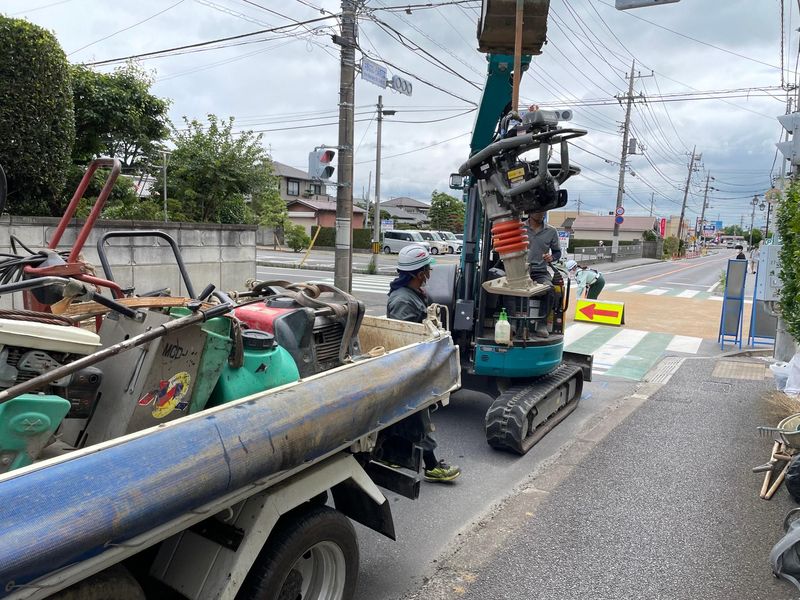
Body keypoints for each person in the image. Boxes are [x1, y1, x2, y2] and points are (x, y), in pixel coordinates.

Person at [386, 245, 461, 483]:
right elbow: (404, 339)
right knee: (418, 416)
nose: (430, 272)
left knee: (402, 415)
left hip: (421, 362)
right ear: (420, 273)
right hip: (410, 366)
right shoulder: (402, 300)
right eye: (428, 268)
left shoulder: (417, 293)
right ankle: (432, 466)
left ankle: (392, 455)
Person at [525, 211, 561, 285]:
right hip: (518, 272)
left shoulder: (551, 231)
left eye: (543, 210)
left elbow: (557, 252)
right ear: (529, 211)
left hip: (540, 273)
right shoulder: (519, 228)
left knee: (548, 288)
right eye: (537, 210)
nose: (540, 212)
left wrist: (551, 257)